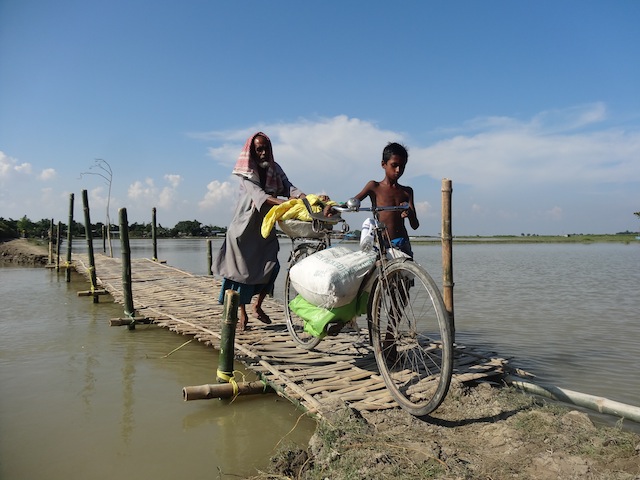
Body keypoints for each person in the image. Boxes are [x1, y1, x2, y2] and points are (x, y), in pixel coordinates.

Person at [212, 132, 305, 330]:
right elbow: (260, 196)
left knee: (272, 266)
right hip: (243, 230)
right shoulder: (247, 173)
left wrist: (304, 197)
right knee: (241, 275)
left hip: (265, 226)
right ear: (252, 152)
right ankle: (242, 314)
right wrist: (285, 203)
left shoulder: (275, 168)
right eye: (259, 149)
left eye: (266, 149)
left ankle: (258, 305)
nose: (263, 153)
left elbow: (289, 187)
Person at [329, 142, 419, 256]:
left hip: (402, 243)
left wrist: (409, 213)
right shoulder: (374, 187)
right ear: (383, 164)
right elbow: (353, 202)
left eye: (402, 166)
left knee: (407, 272)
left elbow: (415, 225)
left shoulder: (407, 191)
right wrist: (335, 208)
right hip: (382, 242)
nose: (398, 170)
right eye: (394, 165)